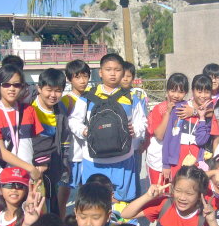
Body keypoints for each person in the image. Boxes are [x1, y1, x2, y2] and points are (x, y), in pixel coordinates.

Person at [68, 53, 146, 202]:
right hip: (93, 161)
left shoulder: (131, 97)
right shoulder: (87, 97)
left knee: (124, 200)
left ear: (123, 72)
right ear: (100, 72)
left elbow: (142, 121)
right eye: (108, 69)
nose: (113, 73)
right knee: (95, 201)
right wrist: (83, 131)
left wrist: (135, 130)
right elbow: (73, 120)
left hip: (124, 159)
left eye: (117, 70)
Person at [0, 63, 43, 180]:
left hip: (29, 176)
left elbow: (38, 143)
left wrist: (41, 165)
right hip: (6, 175)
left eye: (16, 85)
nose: (11, 89)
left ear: (22, 86)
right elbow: (0, 151)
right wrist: (30, 168)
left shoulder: (29, 110)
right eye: (6, 84)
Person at [161, 74, 219, 180]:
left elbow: (201, 141)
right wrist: (166, 164)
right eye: (199, 91)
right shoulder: (179, 108)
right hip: (176, 159)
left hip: (196, 161)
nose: (203, 96)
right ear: (192, 91)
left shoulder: (208, 114)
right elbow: (168, 137)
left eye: (207, 92)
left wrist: (201, 117)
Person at [31, 68, 71, 218]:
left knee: (49, 205)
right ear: (39, 88)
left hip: (51, 166)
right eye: (49, 90)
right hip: (31, 165)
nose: (53, 95)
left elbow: (64, 140)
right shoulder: (29, 107)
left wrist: (64, 166)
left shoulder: (60, 111)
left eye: (58, 91)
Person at [57, 59, 91, 215]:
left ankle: (82, 217)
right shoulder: (66, 100)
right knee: (65, 189)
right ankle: (60, 219)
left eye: (85, 76)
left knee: (85, 191)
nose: (82, 81)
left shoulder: (91, 97)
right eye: (77, 77)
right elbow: (66, 124)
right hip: (72, 154)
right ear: (69, 79)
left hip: (88, 154)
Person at [146, 73, 189, 186]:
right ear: (167, 90)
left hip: (176, 159)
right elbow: (159, 135)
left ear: (186, 93)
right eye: (172, 91)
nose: (176, 95)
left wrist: (192, 111)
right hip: (158, 159)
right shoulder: (159, 108)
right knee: (157, 191)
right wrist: (168, 112)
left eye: (181, 92)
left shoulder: (186, 108)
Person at [121, 61, 149, 196]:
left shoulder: (137, 95)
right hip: (119, 146)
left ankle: (136, 198)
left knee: (135, 172)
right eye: (123, 76)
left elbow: (144, 118)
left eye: (129, 76)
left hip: (135, 144)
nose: (125, 79)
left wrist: (142, 138)